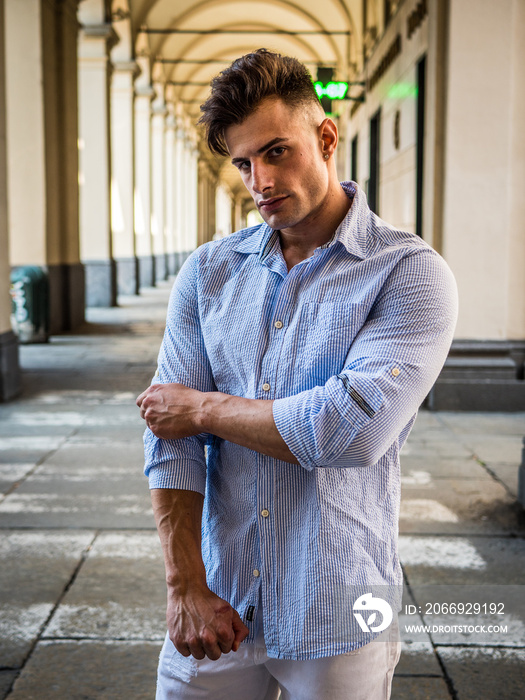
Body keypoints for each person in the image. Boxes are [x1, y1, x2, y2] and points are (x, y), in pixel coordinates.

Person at [137, 48, 458, 700]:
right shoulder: (208, 271)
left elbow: (344, 433)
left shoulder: (407, 273)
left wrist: (202, 410)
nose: (259, 179)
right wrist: (185, 587)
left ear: (326, 137)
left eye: (276, 152)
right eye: (243, 163)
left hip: (339, 606)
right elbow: (164, 434)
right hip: (218, 598)